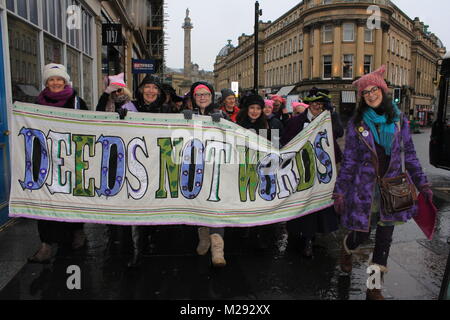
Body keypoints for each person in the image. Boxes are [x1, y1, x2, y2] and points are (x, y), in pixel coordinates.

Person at [333, 65, 433, 300]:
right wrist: (340, 191)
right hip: (364, 189)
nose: (370, 94)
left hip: (393, 186)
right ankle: (348, 248)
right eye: (365, 92)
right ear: (362, 97)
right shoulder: (357, 125)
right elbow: (349, 161)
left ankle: (373, 286)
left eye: (373, 89)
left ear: (382, 90)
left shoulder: (400, 121)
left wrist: (423, 184)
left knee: (384, 240)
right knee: (361, 234)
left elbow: (409, 155)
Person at [29, 63, 88, 263]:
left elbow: (89, 127)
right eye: (51, 79)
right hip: (46, 159)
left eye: (59, 79)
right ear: (46, 82)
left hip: (72, 159)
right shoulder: (37, 102)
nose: (55, 83)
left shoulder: (77, 102)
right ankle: (45, 244)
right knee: (44, 200)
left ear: (65, 81)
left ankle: (77, 232)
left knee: (72, 198)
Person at [281, 88, 344, 258]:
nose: (317, 107)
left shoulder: (328, 120)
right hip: (300, 169)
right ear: (309, 104)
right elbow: (286, 143)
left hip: (322, 169)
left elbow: (338, 133)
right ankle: (300, 235)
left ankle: (311, 236)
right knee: (301, 202)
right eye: (315, 103)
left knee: (317, 204)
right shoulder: (296, 122)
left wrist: (332, 115)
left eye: (321, 104)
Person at [127, 74, 168, 267]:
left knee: (157, 205)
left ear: (159, 92)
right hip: (136, 163)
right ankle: (139, 249)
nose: (151, 91)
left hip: (158, 163)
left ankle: (156, 244)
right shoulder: (129, 108)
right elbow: (104, 118)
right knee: (139, 205)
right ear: (141, 89)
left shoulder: (167, 110)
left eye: (155, 88)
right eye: (148, 87)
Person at [190, 81, 228, 267]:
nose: (202, 97)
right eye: (199, 95)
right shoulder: (187, 115)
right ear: (194, 98)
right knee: (200, 204)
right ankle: (203, 238)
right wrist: (184, 121)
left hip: (216, 168)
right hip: (195, 168)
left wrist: (222, 123)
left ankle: (217, 249)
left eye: (206, 94)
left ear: (212, 97)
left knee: (215, 207)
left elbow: (233, 137)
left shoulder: (221, 114)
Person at [237, 94, 279, 249]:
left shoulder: (268, 125)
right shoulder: (238, 124)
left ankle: (258, 230)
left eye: (258, 108)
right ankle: (244, 226)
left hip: (261, 168)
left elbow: (275, 148)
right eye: (252, 108)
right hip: (242, 166)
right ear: (247, 109)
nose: (255, 111)